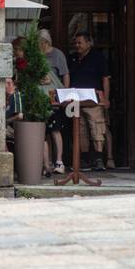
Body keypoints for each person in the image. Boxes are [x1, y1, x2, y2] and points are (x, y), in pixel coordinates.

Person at [68, 30, 111, 172]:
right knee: (80, 130)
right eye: (76, 42)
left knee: (97, 128)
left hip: (94, 99)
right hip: (76, 100)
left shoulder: (98, 57)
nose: (77, 45)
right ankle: (85, 160)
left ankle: (98, 159)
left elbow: (105, 78)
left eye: (80, 42)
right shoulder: (73, 58)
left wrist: (106, 98)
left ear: (88, 43)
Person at [38, 29, 70, 176]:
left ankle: (59, 161)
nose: (40, 46)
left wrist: (66, 94)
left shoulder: (57, 54)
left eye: (42, 43)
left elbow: (65, 74)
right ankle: (47, 162)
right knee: (44, 131)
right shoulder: (36, 54)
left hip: (54, 95)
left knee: (56, 129)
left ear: (47, 42)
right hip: (40, 95)